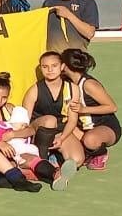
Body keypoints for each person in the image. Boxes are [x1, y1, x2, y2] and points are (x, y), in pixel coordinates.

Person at [18, 51, 83, 190]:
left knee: (77, 160)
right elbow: (24, 121)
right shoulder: (34, 90)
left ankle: (57, 164)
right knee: (50, 120)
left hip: (60, 130)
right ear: (41, 68)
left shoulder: (72, 89)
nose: (50, 70)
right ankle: (43, 161)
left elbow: (72, 120)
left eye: (54, 66)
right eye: (45, 66)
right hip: (39, 130)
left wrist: (62, 138)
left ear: (62, 67)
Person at [59, 48, 121, 171]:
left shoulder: (88, 84)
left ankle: (100, 154)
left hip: (104, 127)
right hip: (82, 128)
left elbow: (112, 107)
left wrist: (84, 109)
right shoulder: (66, 82)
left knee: (90, 140)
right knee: (61, 131)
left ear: (64, 65)